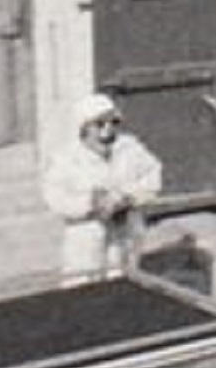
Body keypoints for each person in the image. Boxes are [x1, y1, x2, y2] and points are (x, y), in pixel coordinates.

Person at [43, 93, 163, 280]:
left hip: (125, 229)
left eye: (114, 123)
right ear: (84, 128)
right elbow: (55, 198)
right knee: (83, 281)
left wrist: (128, 197)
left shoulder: (129, 148)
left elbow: (153, 177)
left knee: (124, 276)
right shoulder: (67, 159)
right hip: (86, 232)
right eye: (99, 124)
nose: (108, 129)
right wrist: (91, 203)